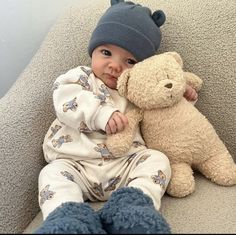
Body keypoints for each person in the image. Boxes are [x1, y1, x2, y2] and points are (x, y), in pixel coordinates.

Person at [34, 0, 198, 234]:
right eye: (106, 53)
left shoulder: (138, 87)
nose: (114, 66)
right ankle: (67, 219)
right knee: (51, 174)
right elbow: (66, 102)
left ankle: (132, 208)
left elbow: (163, 104)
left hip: (124, 165)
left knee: (157, 160)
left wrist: (181, 96)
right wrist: (101, 114)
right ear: (93, 50)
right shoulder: (79, 78)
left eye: (129, 61)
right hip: (76, 164)